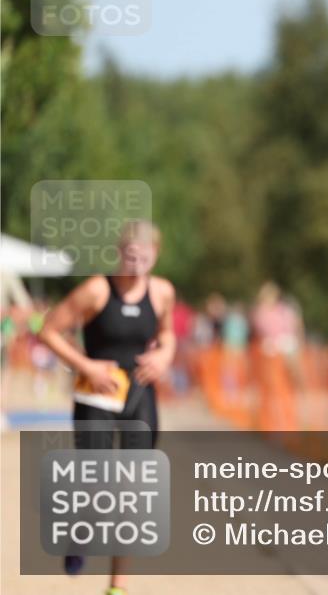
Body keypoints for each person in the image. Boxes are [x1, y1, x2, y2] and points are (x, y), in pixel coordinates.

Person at [39, 219, 176, 595]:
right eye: (130, 256)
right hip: (96, 396)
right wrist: (86, 366)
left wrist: (165, 355)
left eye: (144, 258)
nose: (136, 265)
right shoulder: (97, 290)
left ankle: (117, 586)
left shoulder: (162, 292)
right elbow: (47, 330)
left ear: (156, 255)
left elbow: (167, 334)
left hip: (140, 395)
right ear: (119, 252)